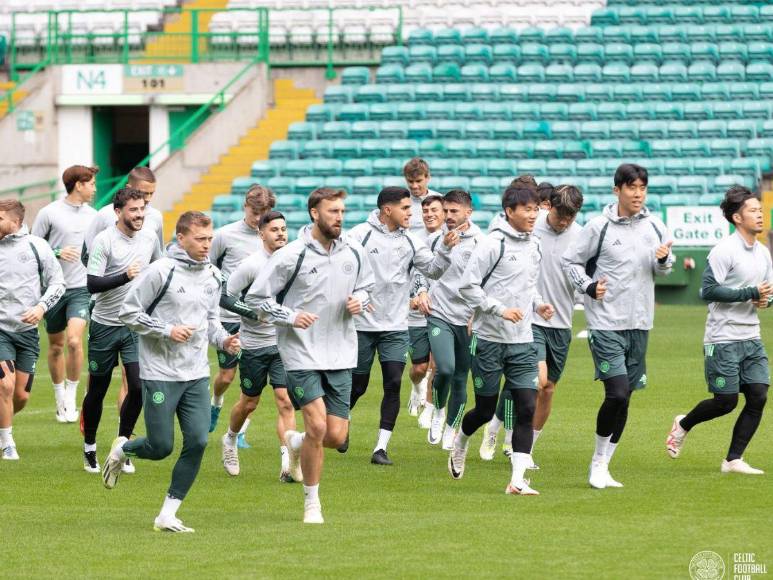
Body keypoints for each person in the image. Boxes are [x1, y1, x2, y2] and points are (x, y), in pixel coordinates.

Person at [101, 211, 240, 533]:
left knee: (198, 441)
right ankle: (123, 449)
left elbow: (211, 321)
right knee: (160, 446)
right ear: (181, 238)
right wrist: (167, 330)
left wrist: (224, 340)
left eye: (210, 239)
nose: (207, 245)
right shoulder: (160, 271)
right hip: (160, 371)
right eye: (200, 239)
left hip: (196, 373)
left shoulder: (213, 276)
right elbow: (128, 312)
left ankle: (167, 514)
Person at [245, 187, 374, 524]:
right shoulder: (291, 255)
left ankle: (296, 442)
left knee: (335, 436)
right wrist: (290, 316)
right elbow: (256, 298)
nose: (339, 217)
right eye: (333, 211)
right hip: (300, 352)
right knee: (317, 425)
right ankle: (312, 504)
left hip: (342, 353)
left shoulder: (355, 251)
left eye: (342, 211)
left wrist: (360, 300)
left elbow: (366, 287)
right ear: (315, 213)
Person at [562, 163, 674, 489]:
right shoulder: (598, 227)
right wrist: (587, 286)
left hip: (640, 322)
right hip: (605, 322)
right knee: (617, 392)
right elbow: (570, 261)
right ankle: (597, 462)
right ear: (617, 190)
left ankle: (605, 464)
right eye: (631, 187)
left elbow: (663, 270)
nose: (638, 194)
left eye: (642, 188)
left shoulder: (655, 226)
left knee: (626, 397)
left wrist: (664, 260)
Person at [449, 186, 554, 494]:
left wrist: (538, 305)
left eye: (536, 209)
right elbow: (467, 286)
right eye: (527, 209)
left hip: (523, 341)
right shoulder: (492, 244)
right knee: (484, 410)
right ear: (510, 211)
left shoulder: (535, 245)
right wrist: (499, 309)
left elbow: (528, 285)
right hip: (489, 340)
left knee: (526, 406)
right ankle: (461, 441)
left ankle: (517, 480)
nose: (533, 215)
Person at [346, 187, 459, 465]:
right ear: (388, 210)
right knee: (357, 385)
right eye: (406, 208)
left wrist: (445, 249)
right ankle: (341, 421)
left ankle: (380, 448)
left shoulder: (411, 240)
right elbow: (341, 268)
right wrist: (353, 297)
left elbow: (433, 270)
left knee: (394, 383)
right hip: (361, 325)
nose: (412, 213)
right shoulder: (359, 235)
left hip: (396, 326)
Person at [667, 186, 771, 475]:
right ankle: (683, 424)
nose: (760, 214)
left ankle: (733, 460)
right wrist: (750, 292)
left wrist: (765, 300)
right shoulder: (724, 250)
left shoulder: (764, 253)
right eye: (753, 210)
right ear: (737, 217)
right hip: (722, 337)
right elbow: (708, 290)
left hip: (751, 336)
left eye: (760, 210)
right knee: (726, 402)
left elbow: (767, 292)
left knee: (759, 395)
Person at [481, 185, 584, 466]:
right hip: (528, 318)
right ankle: (506, 438)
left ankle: (524, 448)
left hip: (560, 321)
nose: (564, 221)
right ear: (549, 207)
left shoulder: (581, 236)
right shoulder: (529, 227)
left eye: (571, 217)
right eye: (561, 215)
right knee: (537, 381)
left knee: (548, 389)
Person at [81, 188, 162, 474]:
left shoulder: (150, 237)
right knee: (98, 389)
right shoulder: (104, 240)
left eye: (142, 209)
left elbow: (160, 270)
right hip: (104, 324)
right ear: (118, 212)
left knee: (138, 387)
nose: (140, 215)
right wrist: (125, 276)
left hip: (134, 325)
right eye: (133, 210)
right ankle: (89, 446)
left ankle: (122, 446)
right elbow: (92, 284)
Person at [220, 211, 298, 481]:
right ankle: (230, 438)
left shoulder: (293, 261)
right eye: (274, 229)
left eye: (283, 229)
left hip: (283, 343)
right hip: (254, 345)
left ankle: (288, 463)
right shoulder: (251, 265)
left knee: (285, 400)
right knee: (249, 403)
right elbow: (225, 297)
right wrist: (253, 314)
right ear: (261, 234)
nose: (280, 234)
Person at [208, 185, 276, 440]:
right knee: (227, 376)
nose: (258, 218)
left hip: (259, 325)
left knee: (254, 381)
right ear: (245, 206)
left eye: (263, 213)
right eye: (254, 212)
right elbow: (208, 267)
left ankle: (240, 432)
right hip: (228, 318)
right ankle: (216, 401)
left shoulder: (273, 237)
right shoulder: (225, 235)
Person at [32, 165, 98, 423]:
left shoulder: (94, 216)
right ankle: (59, 396)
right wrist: (57, 252)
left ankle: (71, 395)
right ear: (78, 185)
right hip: (54, 288)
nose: (94, 189)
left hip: (81, 288)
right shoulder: (49, 213)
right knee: (57, 346)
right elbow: (33, 248)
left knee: (74, 341)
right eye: (91, 184)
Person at [0, 199, 65, 459]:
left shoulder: (37, 246)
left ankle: (3, 423)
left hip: (27, 333)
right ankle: (8, 443)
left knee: (21, 397)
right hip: (1, 330)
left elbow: (58, 283)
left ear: (15, 221)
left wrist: (41, 307)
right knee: (5, 386)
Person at [426, 189, 485, 450]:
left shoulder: (482, 243)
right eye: (446, 211)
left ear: (468, 212)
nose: (448, 216)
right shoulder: (434, 239)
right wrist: (420, 291)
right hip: (439, 312)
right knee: (445, 368)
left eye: (454, 211)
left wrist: (477, 313)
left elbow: (488, 281)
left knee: (461, 378)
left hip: (469, 318)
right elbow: (423, 271)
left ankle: (452, 428)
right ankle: (438, 411)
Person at [408, 195, 445, 428]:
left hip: (441, 312)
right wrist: (416, 295)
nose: (429, 215)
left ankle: (430, 410)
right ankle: (415, 387)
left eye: (434, 210)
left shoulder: (451, 239)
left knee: (438, 365)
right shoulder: (414, 239)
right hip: (415, 313)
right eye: (425, 211)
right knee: (419, 368)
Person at [404, 157, 440, 234]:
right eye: (410, 181)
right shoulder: (399, 202)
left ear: (428, 177)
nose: (414, 186)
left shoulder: (440, 200)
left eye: (418, 181)